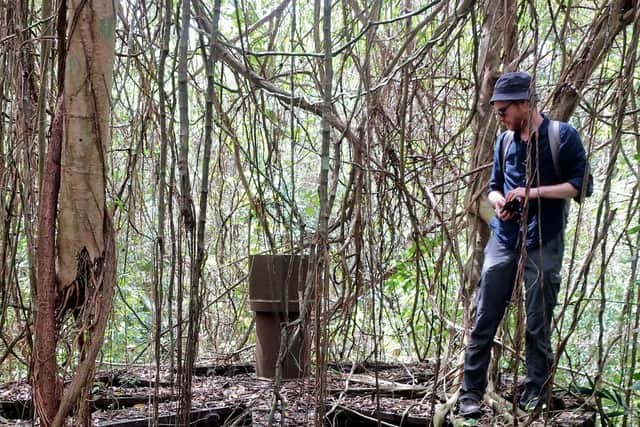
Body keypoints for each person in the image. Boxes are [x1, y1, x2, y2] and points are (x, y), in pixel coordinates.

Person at [458, 72, 593, 417]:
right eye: (497, 112)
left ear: (524, 104)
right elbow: (492, 185)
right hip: (504, 238)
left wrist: (533, 193)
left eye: (504, 111)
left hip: (544, 238)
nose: (500, 118)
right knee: (485, 315)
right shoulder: (503, 141)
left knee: (538, 321)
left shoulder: (561, 136)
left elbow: (580, 185)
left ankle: (536, 393)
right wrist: (500, 200)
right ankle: (469, 394)